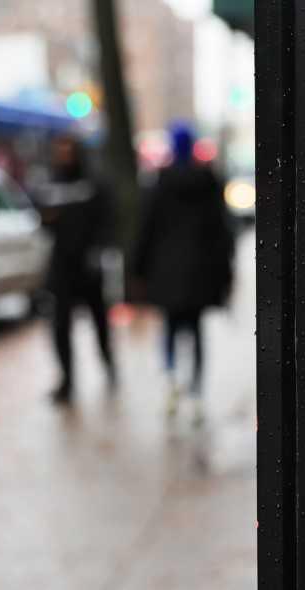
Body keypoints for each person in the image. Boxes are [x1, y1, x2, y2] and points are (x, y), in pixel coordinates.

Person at [134, 122, 234, 421]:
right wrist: (226, 272)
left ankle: (171, 380)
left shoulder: (159, 182)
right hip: (200, 273)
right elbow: (222, 230)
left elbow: (146, 228)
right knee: (196, 331)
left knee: (170, 327)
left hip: (166, 272)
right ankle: (196, 393)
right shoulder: (209, 181)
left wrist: (138, 268)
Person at [37, 134, 116, 404]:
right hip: (62, 266)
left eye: (68, 151)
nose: (64, 156)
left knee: (100, 321)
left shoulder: (93, 184)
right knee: (60, 326)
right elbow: (43, 219)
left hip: (89, 266)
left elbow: (107, 219)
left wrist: (99, 249)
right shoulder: (51, 184)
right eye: (60, 151)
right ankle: (67, 380)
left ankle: (108, 365)